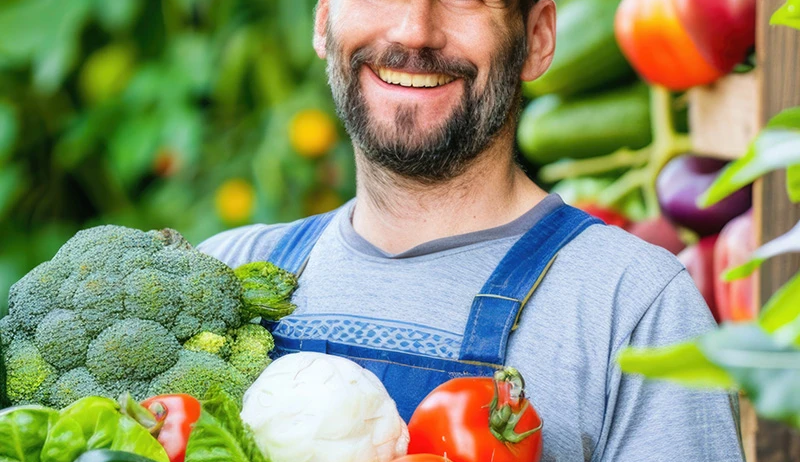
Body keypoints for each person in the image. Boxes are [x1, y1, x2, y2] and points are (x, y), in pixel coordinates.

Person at [198, 0, 746, 460]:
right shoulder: (222, 276)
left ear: (536, 38)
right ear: (323, 20)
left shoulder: (633, 308)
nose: (416, 30)